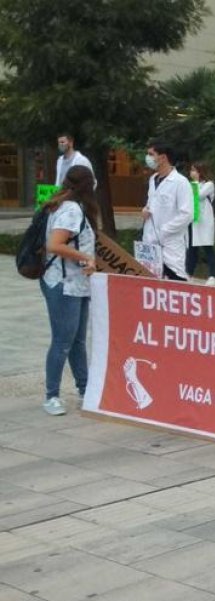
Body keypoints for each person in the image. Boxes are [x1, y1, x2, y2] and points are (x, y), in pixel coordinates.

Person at [40, 165, 99, 416]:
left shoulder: (64, 205)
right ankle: (51, 395)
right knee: (63, 341)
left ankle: (85, 389)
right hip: (63, 284)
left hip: (76, 283)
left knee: (77, 341)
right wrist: (85, 257)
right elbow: (54, 245)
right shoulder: (71, 209)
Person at [141, 142, 193, 281]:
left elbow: (187, 214)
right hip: (150, 243)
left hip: (170, 243)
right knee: (150, 280)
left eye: (151, 154)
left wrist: (165, 230)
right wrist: (145, 210)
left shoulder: (180, 182)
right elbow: (152, 203)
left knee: (174, 279)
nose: (148, 158)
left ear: (163, 157)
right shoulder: (153, 179)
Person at [187, 162, 215, 286]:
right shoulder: (192, 185)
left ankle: (212, 276)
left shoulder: (209, 184)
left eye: (194, 170)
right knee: (192, 249)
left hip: (205, 221)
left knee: (207, 248)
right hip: (194, 220)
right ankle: (189, 274)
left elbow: (198, 196)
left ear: (200, 171)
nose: (192, 173)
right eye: (191, 170)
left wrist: (193, 184)